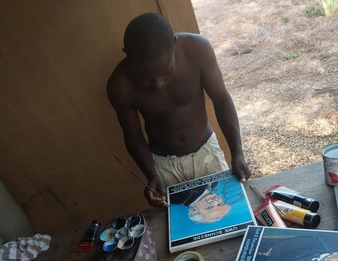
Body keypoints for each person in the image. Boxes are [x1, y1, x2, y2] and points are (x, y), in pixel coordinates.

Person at [107, 13, 251, 207]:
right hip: (162, 165)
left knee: (228, 215)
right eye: (146, 78)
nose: (157, 85)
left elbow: (222, 99)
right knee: (181, 229)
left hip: (207, 153)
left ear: (174, 44)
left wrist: (237, 153)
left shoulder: (198, 50)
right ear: (127, 54)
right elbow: (133, 135)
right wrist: (151, 175)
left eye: (165, 73)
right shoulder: (120, 85)